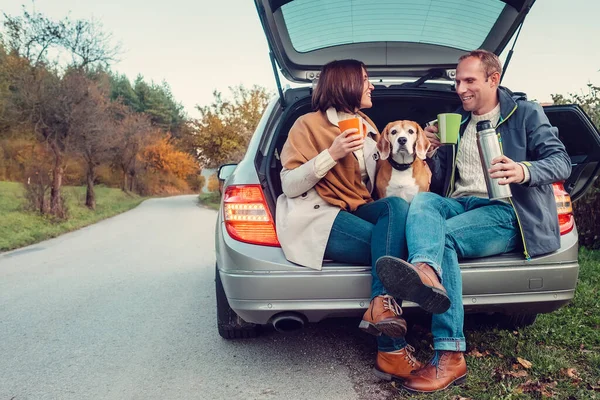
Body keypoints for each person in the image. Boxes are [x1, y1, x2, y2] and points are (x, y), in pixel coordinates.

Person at [375, 49, 572, 393]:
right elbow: (440, 179)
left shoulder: (524, 113)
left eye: (469, 81)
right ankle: (426, 270)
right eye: (457, 81)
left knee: (444, 238)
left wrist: (523, 170)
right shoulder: (458, 121)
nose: (460, 89)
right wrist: (432, 151)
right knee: (423, 202)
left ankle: (450, 354)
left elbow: (561, 161)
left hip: (506, 210)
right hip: (460, 204)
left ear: (493, 79)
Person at [275, 59, 437, 381]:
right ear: (346, 84)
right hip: (320, 214)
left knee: (394, 208)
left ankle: (380, 304)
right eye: (365, 80)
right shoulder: (307, 125)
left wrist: (422, 151)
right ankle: (391, 348)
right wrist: (331, 154)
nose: (372, 85)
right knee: (395, 250)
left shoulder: (370, 127)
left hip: (357, 206)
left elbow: (386, 178)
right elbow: (289, 184)